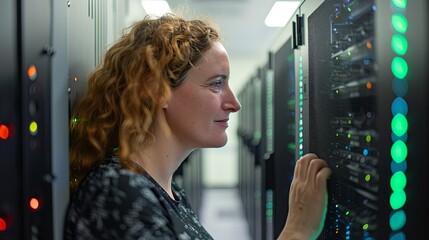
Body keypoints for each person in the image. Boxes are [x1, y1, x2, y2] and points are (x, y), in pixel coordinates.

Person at [64, 13, 331, 240]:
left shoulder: (164, 188)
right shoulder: (119, 194)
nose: (234, 103)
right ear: (158, 90)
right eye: (216, 83)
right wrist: (296, 232)